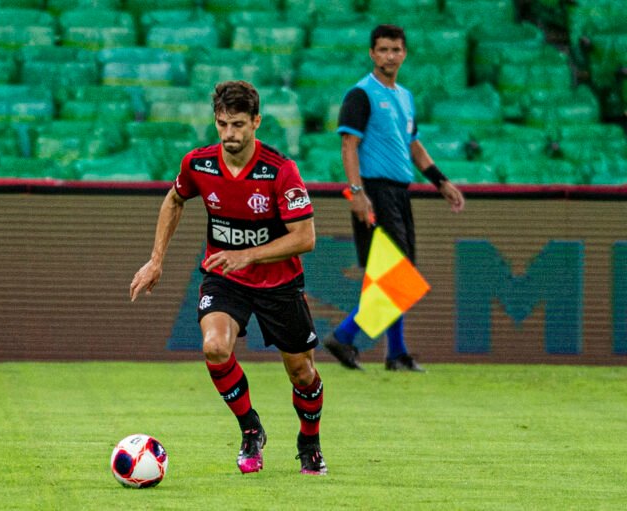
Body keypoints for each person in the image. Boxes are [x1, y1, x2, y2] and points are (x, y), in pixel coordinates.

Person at [130, 80, 326, 476]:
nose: (230, 134)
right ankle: (251, 430)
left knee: (302, 373)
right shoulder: (198, 164)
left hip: (278, 284)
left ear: (256, 122)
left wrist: (247, 255)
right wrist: (155, 261)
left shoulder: (280, 170)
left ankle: (310, 441)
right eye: (222, 124)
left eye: (238, 124)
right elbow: (174, 199)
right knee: (215, 347)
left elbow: (305, 238)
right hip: (225, 278)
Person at [323, 24, 465, 372]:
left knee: (388, 275)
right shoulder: (361, 94)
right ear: (372, 53)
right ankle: (344, 336)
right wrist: (357, 192)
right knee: (397, 276)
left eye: (395, 49)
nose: (389, 55)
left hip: (400, 193)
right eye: (383, 49)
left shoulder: (404, 96)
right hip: (375, 191)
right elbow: (348, 145)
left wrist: (440, 181)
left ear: (404, 53)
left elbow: (412, 145)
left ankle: (395, 353)